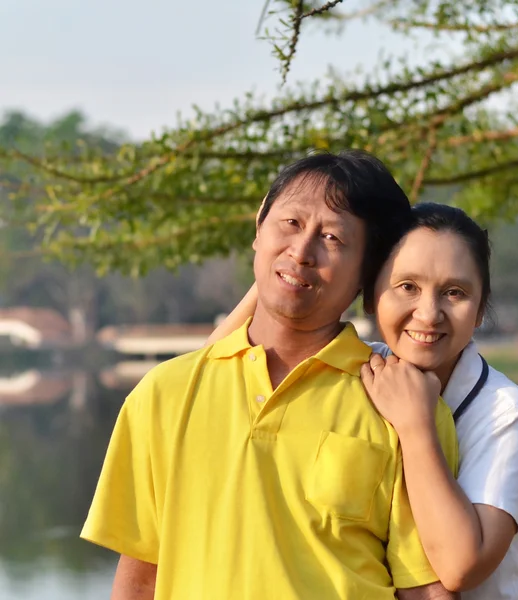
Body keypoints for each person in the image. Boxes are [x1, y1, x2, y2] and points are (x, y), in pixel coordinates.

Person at [81, 152, 460, 600]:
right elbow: (140, 579)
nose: (301, 252)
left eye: (333, 238)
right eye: (291, 223)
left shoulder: (401, 405)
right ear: (259, 227)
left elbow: (425, 589)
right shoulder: (164, 393)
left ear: (367, 272)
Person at [211, 202, 518, 599]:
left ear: (479, 310)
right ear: (370, 296)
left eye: (454, 293)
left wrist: (416, 426)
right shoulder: (360, 366)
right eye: (407, 287)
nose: (429, 313)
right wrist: (275, 256)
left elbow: (461, 568)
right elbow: (205, 370)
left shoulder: (506, 413)